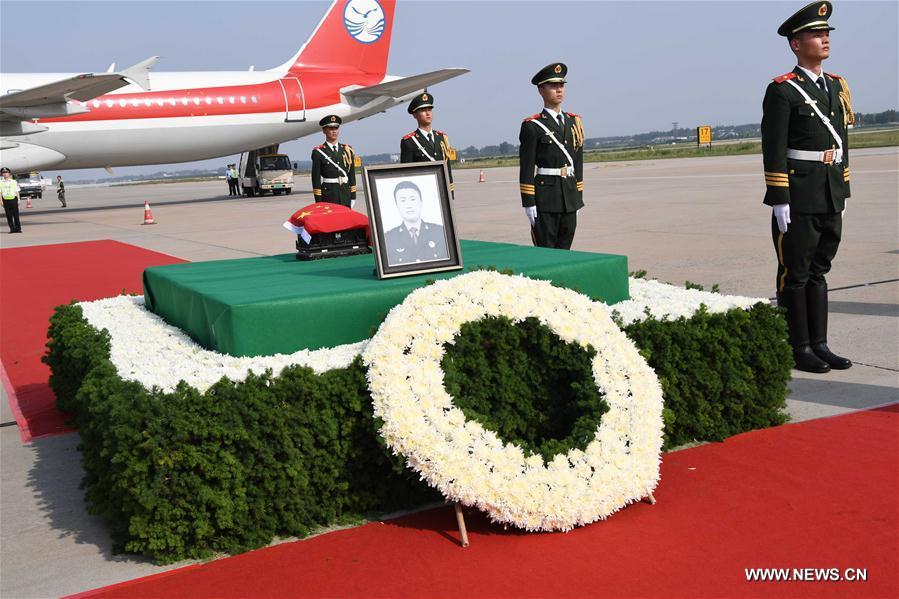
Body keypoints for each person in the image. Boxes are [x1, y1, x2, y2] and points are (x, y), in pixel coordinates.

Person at [762, 1, 853, 373]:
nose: (824, 39)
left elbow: (842, 141)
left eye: (826, 33)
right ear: (796, 44)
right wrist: (779, 197)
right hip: (798, 195)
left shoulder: (836, 86)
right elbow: (774, 148)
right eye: (816, 34)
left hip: (829, 190)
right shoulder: (782, 91)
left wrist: (843, 189)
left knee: (819, 269)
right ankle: (798, 346)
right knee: (795, 273)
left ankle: (820, 343)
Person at [518, 62, 585, 250]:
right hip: (545, 199)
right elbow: (526, 167)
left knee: (565, 250)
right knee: (546, 251)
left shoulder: (574, 122)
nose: (559, 90)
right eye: (553, 86)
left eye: (561, 85)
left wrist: (578, 197)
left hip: (569, 198)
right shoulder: (532, 125)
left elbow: (578, 162)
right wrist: (528, 202)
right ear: (541, 90)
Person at [400, 93, 455, 198]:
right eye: (423, 110)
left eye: (429, 110)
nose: (428, 113)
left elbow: (447, 169)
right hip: (423, 194)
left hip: (443, 192)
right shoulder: (409, 141)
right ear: (415, 115)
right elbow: (406, 174)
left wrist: (450, 193)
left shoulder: (442, 138)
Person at [383, 180, 447, 265]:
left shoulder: (440, 232)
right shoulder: (389, 238)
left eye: (413, 199)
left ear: (421, 202)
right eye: (403, 200)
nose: (409, 205)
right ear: (397, 205)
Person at [311, 115, 357, 208]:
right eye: (330, 128)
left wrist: (353, 196)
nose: (334, 131)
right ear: (324, 130)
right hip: (328, 195)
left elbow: (351, 175)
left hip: (345, 194)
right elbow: (315, 179)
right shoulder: (318, 152)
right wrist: (319, 202)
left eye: (336, 128)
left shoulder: (347, 150)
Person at [1, 167, 23, 233]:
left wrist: (19, 199)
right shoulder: (0, 182)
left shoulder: (14, 181)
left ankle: (18, 228)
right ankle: (12, 229)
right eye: (3, 173)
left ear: (9, 173)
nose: (5, 174)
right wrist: (1, 201)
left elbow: (17, 191)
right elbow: (0, 192)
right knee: (9, 215)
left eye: (6, 172)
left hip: (13, 199)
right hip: (5, 200)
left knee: (16, 215)